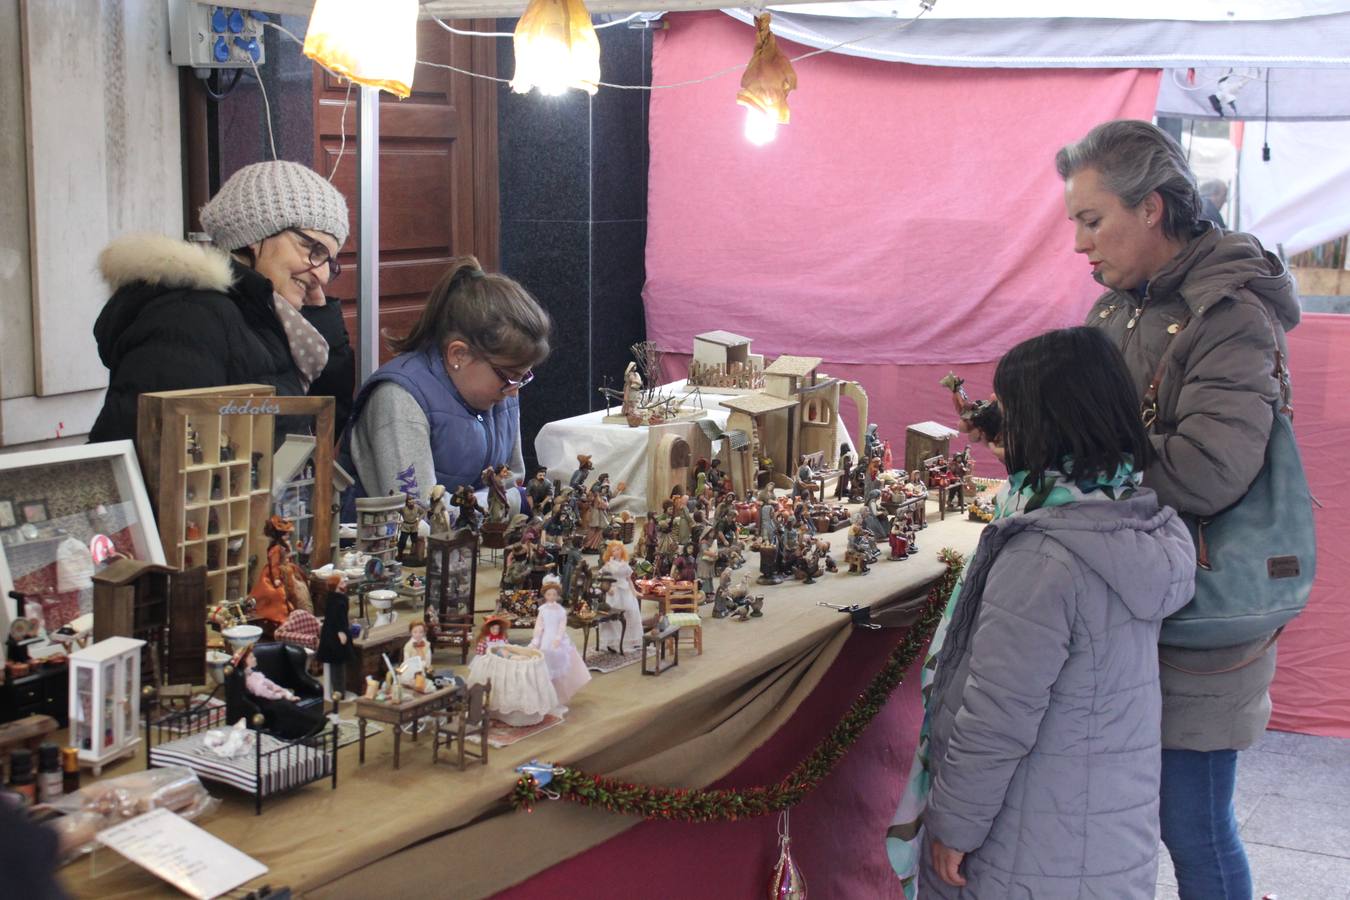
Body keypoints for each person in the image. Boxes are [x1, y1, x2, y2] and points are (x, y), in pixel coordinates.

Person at [1057, 119, 1299, 899]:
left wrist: (1082, 460)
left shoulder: (1229, 313)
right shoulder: (1118, 309)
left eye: (1093, 221)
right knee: (1137, 814)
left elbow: (1209, 469)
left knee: (1193, 824)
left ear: (1153, 208)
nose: (1080, 245)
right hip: (1138, 599)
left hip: (1203, 608)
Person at [913, 327, 1194, 898]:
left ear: (1042, 424)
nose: (1000, 425)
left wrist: (955, 824)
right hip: (1102, 835)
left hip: (1027, 845)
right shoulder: (1133, 518)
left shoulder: (1043, 559)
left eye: (1010, 414)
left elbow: (997, 715)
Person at [91, 160, 352, 442]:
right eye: (312, 248)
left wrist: (319, 316)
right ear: (256, 234)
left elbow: (319, 431)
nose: (323, 274)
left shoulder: (268, 319)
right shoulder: (188, 317)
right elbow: (152, 458)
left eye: (330, 261)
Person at [340, 256, 551, 510]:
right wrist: (509, 502)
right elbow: (419, 513)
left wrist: (514, 501)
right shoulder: (398, 398)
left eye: (523, 377)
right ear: (458, 355)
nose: (514, 389)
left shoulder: (501, 389)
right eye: (509, 375)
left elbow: (512, 483)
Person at [529, 576, 590, 706]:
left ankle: (558, 694)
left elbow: (562, 626)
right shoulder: (542, 610)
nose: (551, 597)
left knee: (560, 663)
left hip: (557, 637)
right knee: (543, 661)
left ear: (557, 596)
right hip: (545, 638)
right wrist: (536, 639)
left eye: (554, 594)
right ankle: (544, 693)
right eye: (548, 594)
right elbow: (539, 625)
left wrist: (558, 638)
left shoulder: (560, 611)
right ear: (545, 595)